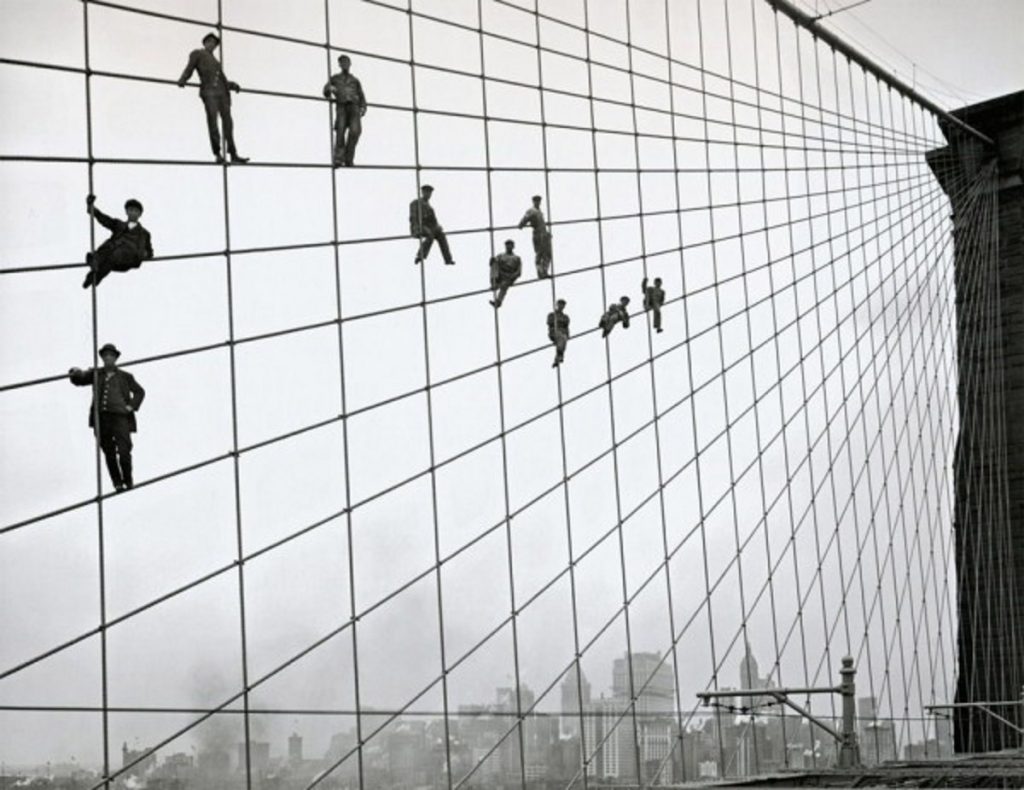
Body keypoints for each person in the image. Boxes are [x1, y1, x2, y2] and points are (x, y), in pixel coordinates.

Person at [68, 344, 146, 492]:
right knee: (109, 453)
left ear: (115, 358)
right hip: (102, 419)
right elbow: (81, 378)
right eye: (105, 356)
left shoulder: (125, 377)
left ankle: (128, 480)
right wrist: (75, 372)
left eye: (111, 355)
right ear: (102, 358)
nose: (108, 358)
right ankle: (117, 483)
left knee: (124, 451)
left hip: (120, 418)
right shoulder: (96, 374)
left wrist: (131, 406)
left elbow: (140, 392)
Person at [177, 32, 249, 164]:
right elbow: (189, 68)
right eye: (210, 42)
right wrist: (183, 79)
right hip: (209, 93)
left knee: (228, 124)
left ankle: (233, 153)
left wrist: (232, 85)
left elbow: (222, 80)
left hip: (222, 95)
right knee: (213, 123)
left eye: (214, 43)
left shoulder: (216, 62)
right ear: (204, 42)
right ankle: (217, 154)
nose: (212, 45)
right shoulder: (197, 53)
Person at [82, 195, 154, 289]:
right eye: (131, 210)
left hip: (128, 257)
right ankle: (95, 266)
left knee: (115, 253)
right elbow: (104, 219)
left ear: (140, 214)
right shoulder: (119, 225)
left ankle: (95, 274)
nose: (133, 213)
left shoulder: (144, 233)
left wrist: (144, 254)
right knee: (108, 248)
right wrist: (91, 206)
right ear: (127, 212)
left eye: (136, 211)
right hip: (113, 253)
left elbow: (150, 252)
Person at [323, 54, 367, 167]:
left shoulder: (355, 80)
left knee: (355, 132)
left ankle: (348, 158)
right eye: (342, 62)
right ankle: (338, 158)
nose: (345, 64)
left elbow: (361, 94)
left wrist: (363, 106)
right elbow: (325, 90)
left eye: (346, 62)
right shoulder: (335, 78)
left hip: (354, 107)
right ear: (340, 65)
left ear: (350, 64)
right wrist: (330, 89)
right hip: (342, 106)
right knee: (340, 133)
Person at [409, 184, 454, 265]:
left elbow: (434, 221)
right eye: (426, 192)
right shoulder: (415, 203)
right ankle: (420, 255)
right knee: (430, 235)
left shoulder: (430, 207)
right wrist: (418, 227)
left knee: (441, 235)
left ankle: (448, 259)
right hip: (419, 227)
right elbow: (413, 218)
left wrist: (438, 227)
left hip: (430, 228)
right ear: (422, 192)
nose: (428, 195)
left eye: (430, 193)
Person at [518, 194, 553, 278]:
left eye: (539, 201)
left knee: (547, 254)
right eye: (536, 201)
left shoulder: (540, 212)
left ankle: (544, 271)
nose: (538, 202)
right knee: (539, 254)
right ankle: (541, 272)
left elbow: (542, 224)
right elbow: (524, 219)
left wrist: (547, 233)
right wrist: (521, 224)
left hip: (544, 235)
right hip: (538, 235)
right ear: (533, 202)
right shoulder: (531, 211)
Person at [489, 239, 522, 308]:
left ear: (513, 247)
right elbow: (492, 265)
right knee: (495, 262)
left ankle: (498, 301)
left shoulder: (516, 258)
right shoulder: (500, 256)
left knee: (504, 284)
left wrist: (512, 276)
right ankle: (494, 283)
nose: (508, 247)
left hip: (509, 275)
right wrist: (492, 261)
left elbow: (519, 272)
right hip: (500, 274)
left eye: (510, 245)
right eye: (507, 245)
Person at [547, 299, 570, 367]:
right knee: (561, 337)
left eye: (563, 305)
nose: (561, 306)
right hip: (554, 332)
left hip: (563, 334)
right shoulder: (551, 314)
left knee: (564, 339)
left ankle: (558, 358)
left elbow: (566, 325)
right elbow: (550, 322)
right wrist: (558, 321)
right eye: (560, 304)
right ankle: (559, 355)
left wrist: (567, 334)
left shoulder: (565, 316)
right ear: (557, 305)